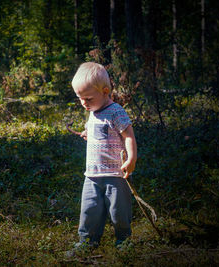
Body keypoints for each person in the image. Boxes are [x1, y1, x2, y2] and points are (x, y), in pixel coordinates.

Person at [70, 62, 137, 250]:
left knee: (118, 212)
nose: (84, 103)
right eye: (80, 98)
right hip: (92, 175)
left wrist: (131, 159)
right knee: (89, 211)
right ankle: (87, 242)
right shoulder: (93, 110)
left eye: (88, 99)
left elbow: (128, 136)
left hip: (115, 175)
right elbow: (100, 132)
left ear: (105, 91)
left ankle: (124, 241)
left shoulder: (116, 111)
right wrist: (88, 134)